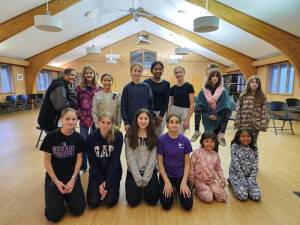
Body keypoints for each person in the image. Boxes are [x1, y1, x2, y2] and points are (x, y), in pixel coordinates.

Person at [40, 108, 86, 222]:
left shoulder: (79, 138)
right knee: (54, 216)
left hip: (71, 176)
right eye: (67, 119)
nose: (71, 122)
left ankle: (67, 196)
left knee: (78, 210)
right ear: (61, 120)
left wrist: (73, 179)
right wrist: (55, 181)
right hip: (55, 177)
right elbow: (47, 161)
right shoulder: (51, 137)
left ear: (77, 121)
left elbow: (79, 159)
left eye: (74, 119)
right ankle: (56, 195)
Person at [86, 112, 123, 208]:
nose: (105, 126)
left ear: (112, 124)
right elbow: (93, 163)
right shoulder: (90, 138)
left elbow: (114, 162)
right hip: (97, 173)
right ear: (98, 123)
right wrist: (100, 181)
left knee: (109, 202)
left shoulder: (118, 136)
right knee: (92, 203)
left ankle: (113, 186)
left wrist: (107, 182)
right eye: (103, 122)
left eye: (108, 123)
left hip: (112, 173)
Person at [157, 114, 193, 210]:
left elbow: (187, 164)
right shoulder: (161, 140)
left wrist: (184, 182)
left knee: (188, 205)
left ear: (180, 124)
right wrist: (167, 182)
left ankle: (178, 187)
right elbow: (160, 163)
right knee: (166, 204)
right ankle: (171, 188)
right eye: (171, 122)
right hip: (166, 175)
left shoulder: (185, 141)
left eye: (177, 122)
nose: (174, 124)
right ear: (167, 124)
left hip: (180, 175)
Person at [125, 108, 159, 206]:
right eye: (141, 118)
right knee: (133, 202)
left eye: (146, 118)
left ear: (150, 120)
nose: (143, 121)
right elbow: (130, 158)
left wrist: (146, 178)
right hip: (133, 172)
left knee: (152, 201)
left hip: (149, 171)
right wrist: (138, 178)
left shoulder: (154, 136)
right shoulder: (129, 136)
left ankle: (145, 187)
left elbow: (153, 159)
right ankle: (139, 187)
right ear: (136, 119)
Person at [195, 68, 231, 146]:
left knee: (214, 144)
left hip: (219, 122)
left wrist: (217, 116)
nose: (215, 78)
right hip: (207, 120)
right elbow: (199, 109)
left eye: (217, 76)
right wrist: (208, 116)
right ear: (209, 78)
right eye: (213, 76)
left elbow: (226, 108)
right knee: (206, 143)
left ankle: (221, 134)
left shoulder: (223, 91)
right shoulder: (203, 91)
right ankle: (196, 131)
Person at [188, 132, 227, 203]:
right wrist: (191, 182)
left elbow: (218, 169)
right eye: (207, 141)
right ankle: (197, 190)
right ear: (202, 142)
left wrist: (222, 179)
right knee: (208, 199)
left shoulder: (216, 155)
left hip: (211, 180)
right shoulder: (196, 153)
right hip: (199, 180)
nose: (209, 143)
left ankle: (210, 189)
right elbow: (191, 167)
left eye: (212, 141)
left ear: (215, 143)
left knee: (223, 197)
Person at [76, 65, 100, 172]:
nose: (89, 75)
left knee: (95, 142)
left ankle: (94, 165)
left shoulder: (99, 87)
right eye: (87, 73)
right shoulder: (79, 88)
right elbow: (76, 103)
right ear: (83, 75)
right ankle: (83, 165)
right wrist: (79, 114)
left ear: (94, 74)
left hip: (96, 118)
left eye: (91, 73)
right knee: (83, 142)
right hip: (84, 118)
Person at [38, 68, 78, 133]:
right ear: (64, 75)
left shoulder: (65, 84)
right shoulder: (58, 85)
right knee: (56, 142)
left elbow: (71, 98)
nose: (74, 77)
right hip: (51, 121)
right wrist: (74, 106)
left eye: (75, 76)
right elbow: (62, 106)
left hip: (53, 120)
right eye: (72, 75)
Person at [234, 75, 268, 145]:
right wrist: (237, 122)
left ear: (259, 85)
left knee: (253, 142)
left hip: (255, 125)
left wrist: (263, 124)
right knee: (243, 142)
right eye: (252, 82)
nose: (254, 84)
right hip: (244, 124)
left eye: (256, 82)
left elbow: (264, 112)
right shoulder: (243, 96)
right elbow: (238, 110)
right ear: (249, 84)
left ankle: (254, 155)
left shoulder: (262, 97)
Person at [228, 129, 261, 201]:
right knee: (243, 196)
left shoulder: (254, 148)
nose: (246, 138)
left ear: (251, 137)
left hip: (249, 176)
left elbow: (255, 165)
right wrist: (243, 180)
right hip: (237, 174)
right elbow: (235, 164)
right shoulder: (235, 146)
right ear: (238, 137)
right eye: (243, 136)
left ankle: (244, 184)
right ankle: (231, 180)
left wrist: (251, 179)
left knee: (256, 196)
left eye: (248, 136)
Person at [191, 63, 220, 142]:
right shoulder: (204, 85)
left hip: (217, 117)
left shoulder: (221, 88)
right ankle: (197, 130)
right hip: (207, 116)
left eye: (209, 69)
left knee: (214, 140)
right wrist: (207, 115)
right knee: (197, 108)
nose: (207, 71)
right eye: (207, 69)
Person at [121, 63, 154, 133]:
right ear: (131, 72)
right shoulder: (127, 88)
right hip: (131, 121)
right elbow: (123, 106)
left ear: (141, 73)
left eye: (139, 71)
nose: (137, 73)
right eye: (135, 70)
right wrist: (126, 122)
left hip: (144, 121)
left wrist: (150, 119)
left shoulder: (146, 87)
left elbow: (151, 104)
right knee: (131, 141)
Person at [144, 61, 170, 136]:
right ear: (152, 70)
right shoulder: (146, 83)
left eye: (160, 69)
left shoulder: (166, 83)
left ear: (162, 70)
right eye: (156, 69)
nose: (158, 71)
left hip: (161, 113)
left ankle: (158, 148)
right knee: (148, 134)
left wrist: (161, 116)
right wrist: (154, 116)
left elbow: (166, 101)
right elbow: (146, 100)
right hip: (149, 112)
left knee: (159, 135)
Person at [168, 66, 195, 134]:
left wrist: (187, 119)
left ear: (184, 73)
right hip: (174, 110)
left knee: (180, 133)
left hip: (185, 111)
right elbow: (170, 103)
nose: (178, 74)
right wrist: (168, 116)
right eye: (176, 73)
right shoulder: (173, 88)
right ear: (174, 74)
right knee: (172, 132)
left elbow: (192, 104)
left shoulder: (189, 86)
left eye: (180, 72)